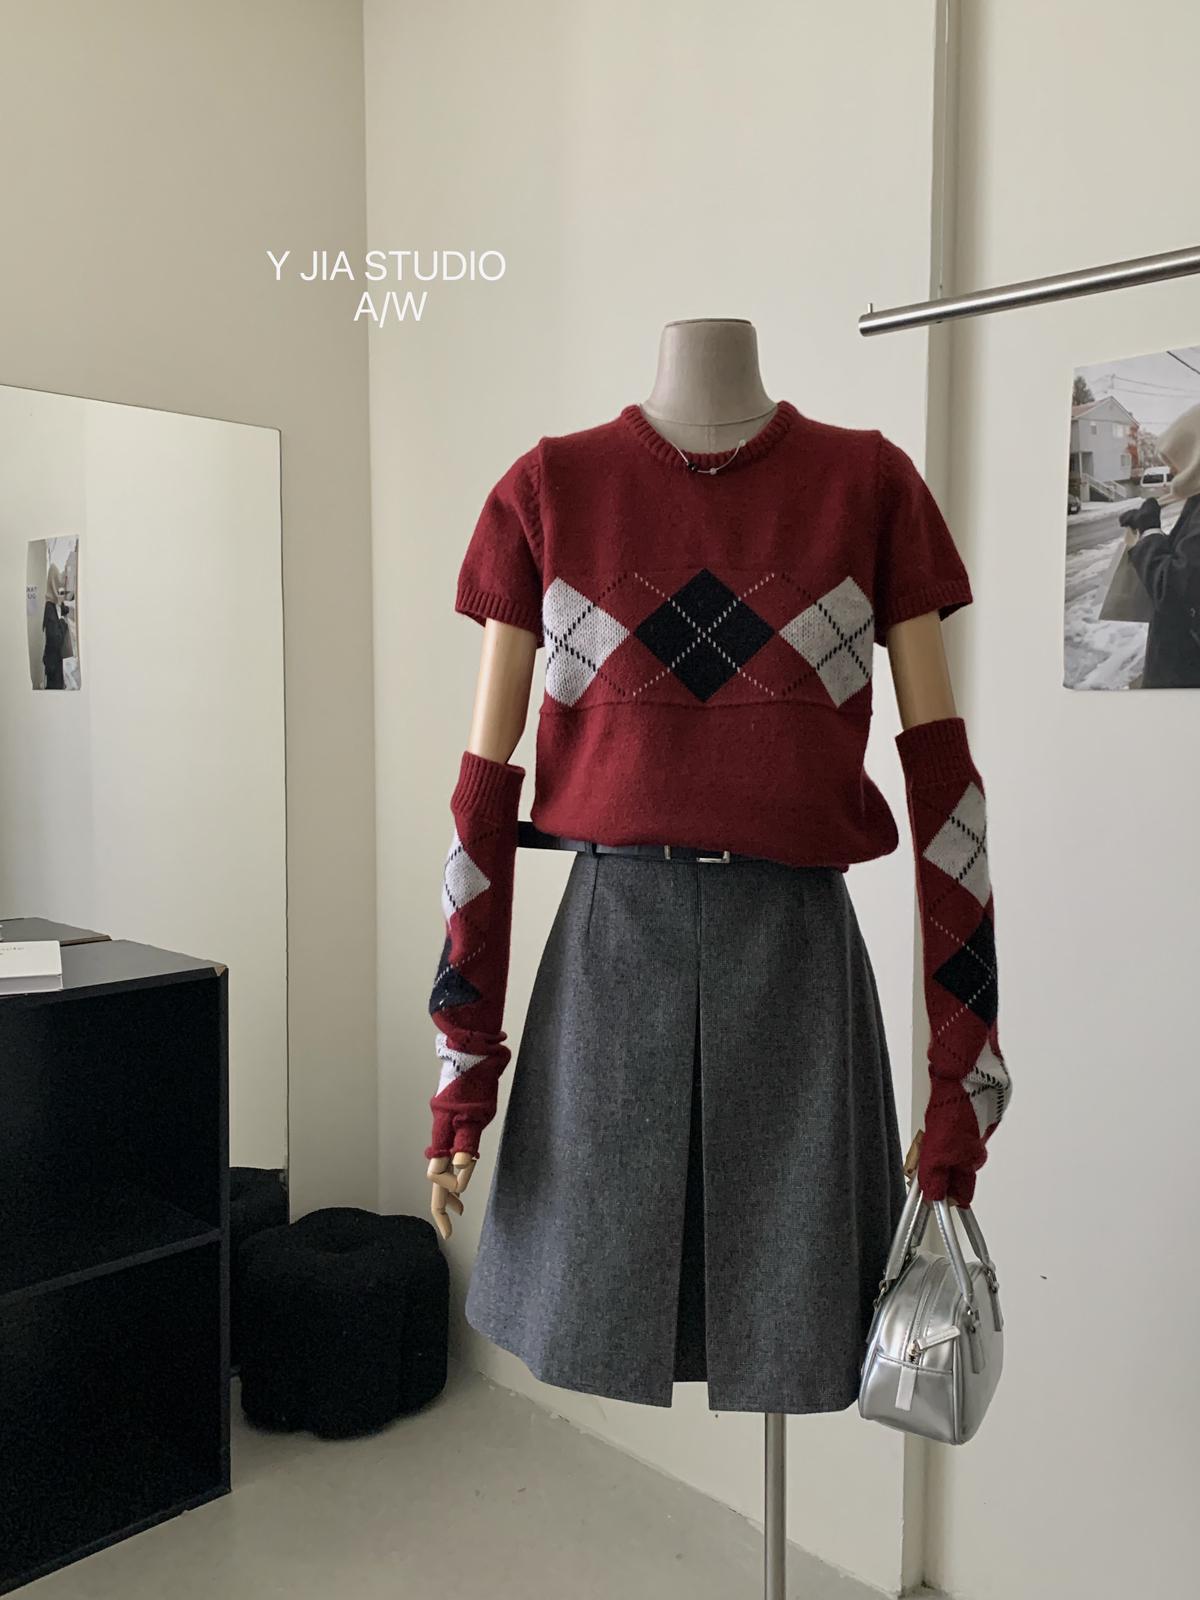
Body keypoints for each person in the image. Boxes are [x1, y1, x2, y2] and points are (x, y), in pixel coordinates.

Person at [1120, 399, 1200, 688]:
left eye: (1176, 459)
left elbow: (1175, 589)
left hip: (1183, 677)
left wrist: (1151, 531)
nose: (1173, 471)